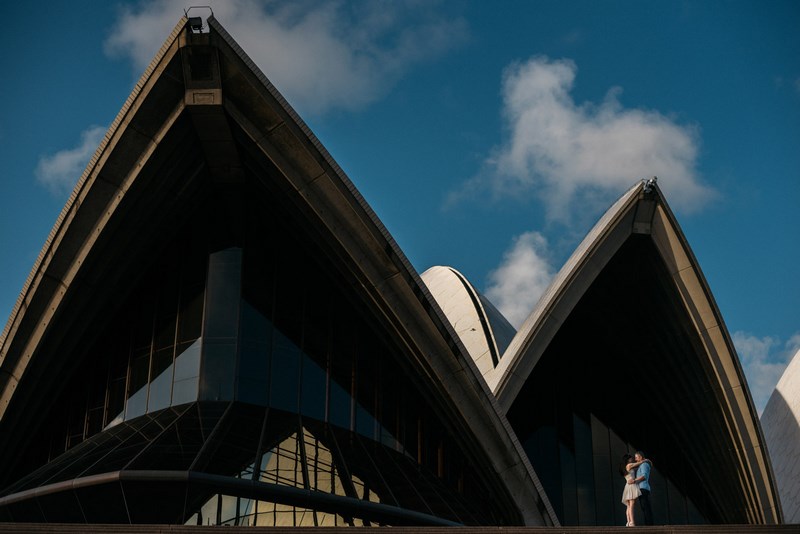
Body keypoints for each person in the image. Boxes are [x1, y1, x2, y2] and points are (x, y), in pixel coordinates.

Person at [629, 451, 653, 525]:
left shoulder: (644, 465)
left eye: (636, 457)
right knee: (644, 507)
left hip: (643, 488)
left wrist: (634, 480)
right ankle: (648, 524)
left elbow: (644, 476)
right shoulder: (642, 464)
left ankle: (649, 524)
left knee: (645, 507)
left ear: (641, 457)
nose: (635, 459)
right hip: (641, 488)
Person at [620, 453, 643, 527]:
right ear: (627, 459)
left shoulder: (626, 467)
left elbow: (636, 466)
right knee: (631, 505)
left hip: (628, 486)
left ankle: (628, 521)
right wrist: (646, 460)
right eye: (630, 458)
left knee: (629, 506)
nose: (632, 459)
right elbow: (639, 463)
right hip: (631, 486)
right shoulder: (629, 465)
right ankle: (632, 522)